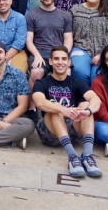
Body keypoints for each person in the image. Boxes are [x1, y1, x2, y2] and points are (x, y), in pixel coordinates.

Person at [33, 46, 102, 178]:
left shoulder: (76, 82)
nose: (60, 62)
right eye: (57, 59)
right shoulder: (42, 82)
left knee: (86, 105)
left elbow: (96, 100)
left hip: (72, 131)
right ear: (51, 61)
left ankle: (87, 156)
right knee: (54, 108)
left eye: (64, 59)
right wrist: (63, 109)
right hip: (50, 132)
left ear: (69, 62)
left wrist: (87, 111)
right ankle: (72, 157)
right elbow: (40, 102)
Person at [25, 0, 73, 118]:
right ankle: (32, 109)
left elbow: (68, 39)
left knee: (67, 72)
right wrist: (37, 55)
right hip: (39, 53)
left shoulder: (65, 15)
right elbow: (29, 40)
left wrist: (63, 54)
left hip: (59, 52)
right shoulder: (31, 15)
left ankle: (65, 108)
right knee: (36, 73)